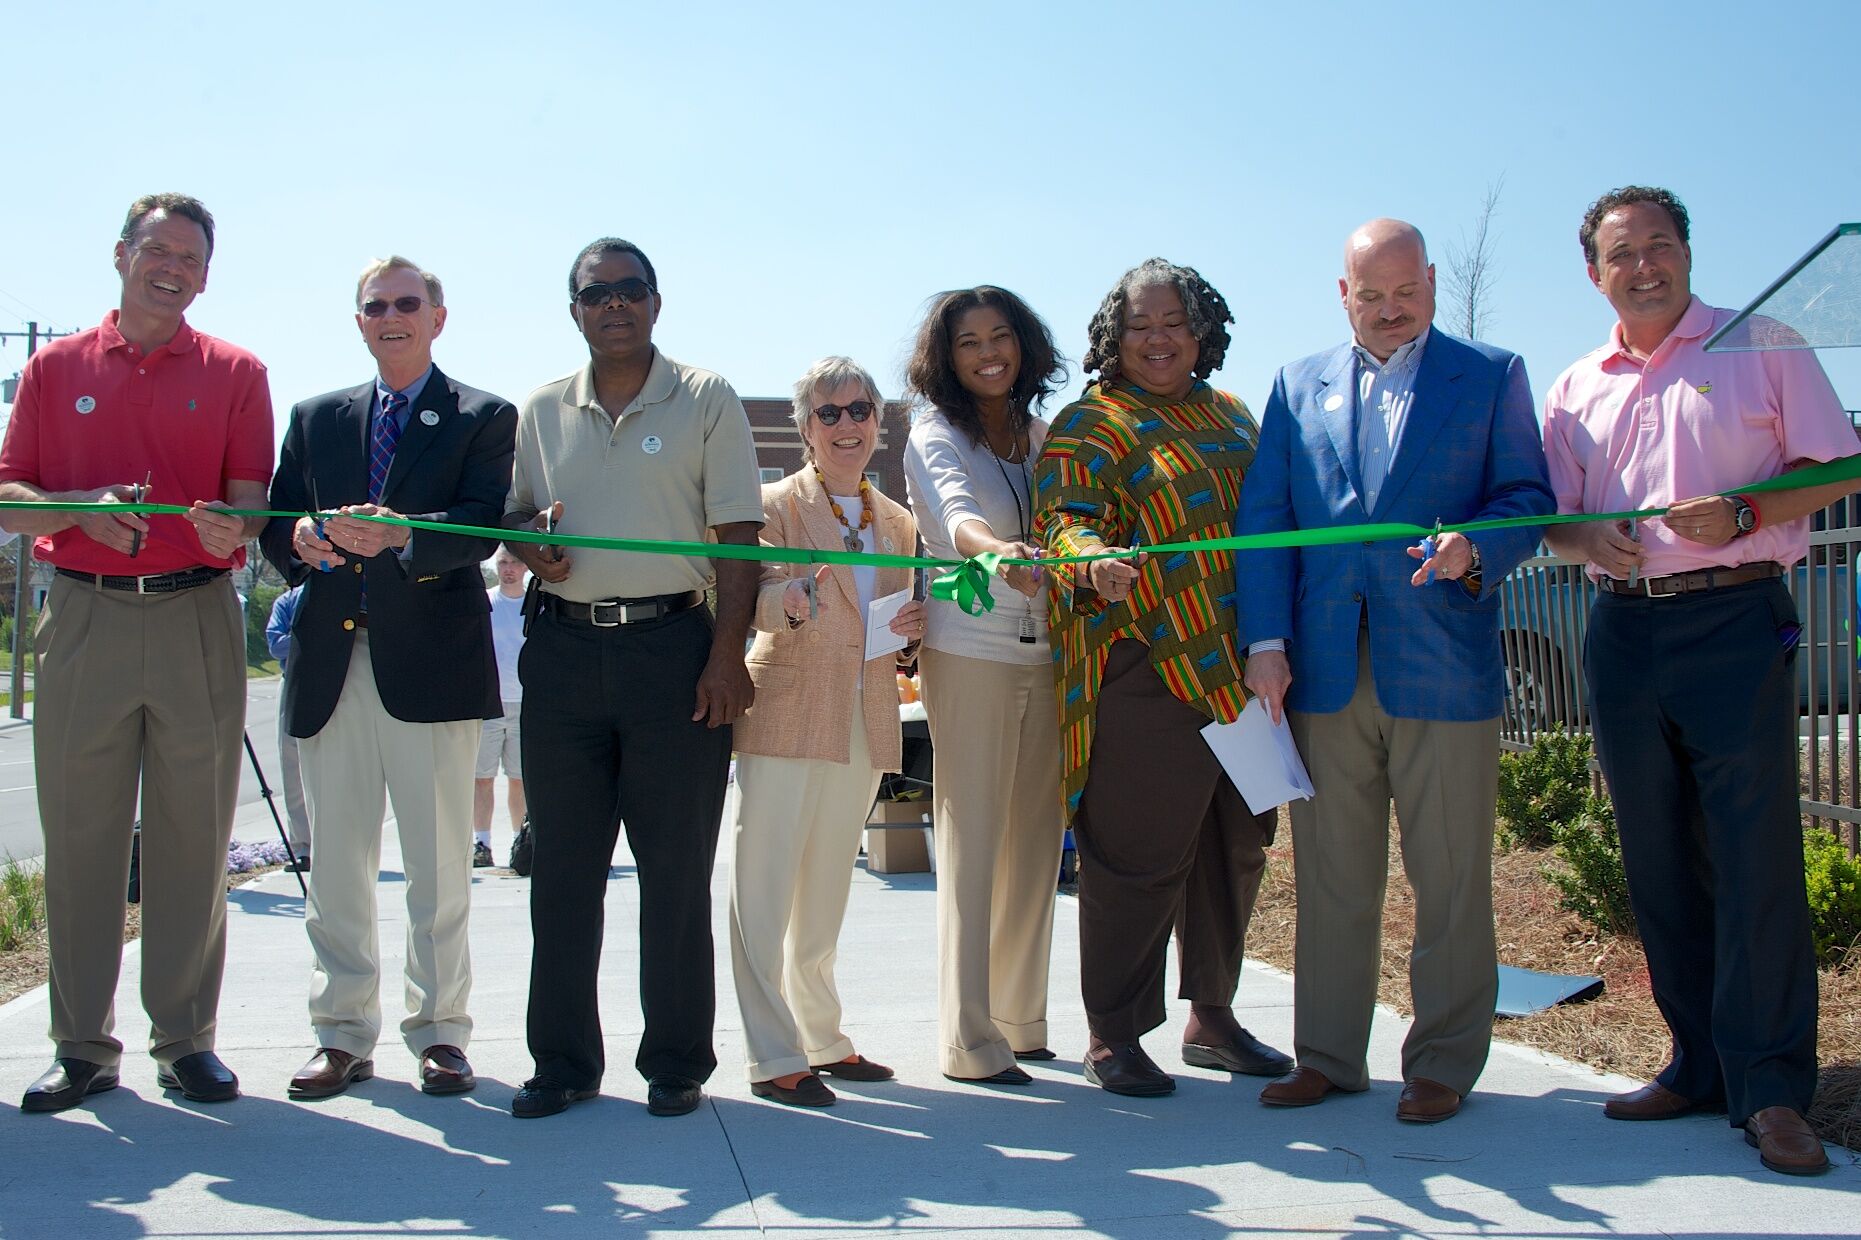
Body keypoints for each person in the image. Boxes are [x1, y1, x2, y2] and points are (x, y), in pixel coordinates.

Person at [1542, 187, 1859, 1175]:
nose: (1643, 266)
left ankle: (1769, 1089)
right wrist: (1585, 534)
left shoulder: (1757, 342)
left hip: (1735, 619)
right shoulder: (1573, 385)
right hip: (1621, 633)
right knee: (1658, 856)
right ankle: (1696, 1065)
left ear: (1686, 253)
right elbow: (1551, 517)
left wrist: (1743, 508)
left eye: (1659, 246)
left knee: (1752, 852)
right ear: (1592, 272)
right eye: (1620, 253)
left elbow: (1839, 464)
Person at [1237, 219, 1554, 1123]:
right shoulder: (1296, 385)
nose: (1386, 310)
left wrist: (1475, 545)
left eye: (1402, 293)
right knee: (1331, 873)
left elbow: (1526, 497)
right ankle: (1328, 1057)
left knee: (1450, 875)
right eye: (1367, 295)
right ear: (1341, 293)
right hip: (1323, 670)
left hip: (1443, 662)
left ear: (1430, 285)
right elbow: (1266, 522)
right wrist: (1265, 643)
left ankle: (1443, 1063)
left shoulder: (1490, 375)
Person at [2, 193, 272, 1111]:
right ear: (121, 254)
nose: (173, 268)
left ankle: (185, 1040)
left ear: (205, 273)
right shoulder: (54, 366)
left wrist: (223, 528)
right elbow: (9, 497)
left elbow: (249, 516)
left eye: (191, 258)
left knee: (195, 839)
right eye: (158, 250)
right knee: (81, 837)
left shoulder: (238, 372)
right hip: (84, 618)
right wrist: (75, 506)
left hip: (196, 618)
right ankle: (81, 1046)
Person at [506, 237, 763, 1120]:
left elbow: (738, 540)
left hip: (675, 658)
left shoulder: (704, 398)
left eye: (630, 291)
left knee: (675, 871)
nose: (612, 305)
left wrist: (726, 657)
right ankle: (565, 1062)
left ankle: (677, 1063)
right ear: (572, 309)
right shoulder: (540, 408)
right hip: (565, 658)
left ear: (656, 303)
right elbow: (512, 513)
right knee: (563, 874)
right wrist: (525, 545)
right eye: (594, 294)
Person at [1033, 258, 1291, 1097]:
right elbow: (1063, 525)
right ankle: (1113, 1033)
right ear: (1113, 335)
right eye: (1140, 323)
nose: (1157, 337)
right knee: (1135, 861)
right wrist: (1090, 560)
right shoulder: (1090, 423)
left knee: (1234, 849)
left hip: (1244, 671)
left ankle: (1211, 1017)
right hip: (1146, 666)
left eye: (1175, 322)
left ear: (1202, 332)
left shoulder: (1234, 418)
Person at [261, 255, 516, 1100]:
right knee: (337, 865)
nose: (391, 316)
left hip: (431, 669)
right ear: (359, 321)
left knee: (441, 866)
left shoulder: (483, 415)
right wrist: (295, 537)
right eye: (376, 305)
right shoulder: (315, 417)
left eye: (408, 303)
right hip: (332, 665)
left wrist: (404, 533)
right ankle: (341, 1035)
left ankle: (440, 1033)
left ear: (438, 318)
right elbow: (274, 523)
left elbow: (482, 527)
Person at [728, 356, 926, 1107]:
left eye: (859, 410)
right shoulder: (772, 504)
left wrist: (909, 628)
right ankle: (772, 1053)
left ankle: (822, 1038)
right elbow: (744, 599)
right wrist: (792, 598)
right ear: (805, 428)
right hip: (786, 709)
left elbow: (891, 630)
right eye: (828, 412)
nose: (846, 425)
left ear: (877, 421)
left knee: (824, 893)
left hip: (864, 712)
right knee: (764, 885)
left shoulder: (899, 521)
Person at [902, 286, 1068, 1086]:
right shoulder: (933, 433)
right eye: (968, 342)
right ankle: (968, 1040)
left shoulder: (1041, 435)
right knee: (973, 840)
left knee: (1036, 840)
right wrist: (995, 550)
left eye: (1001, 336)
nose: (988, 353)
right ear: (946, 357)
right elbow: (954, 513)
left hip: (1047, 653)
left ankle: (1018, 1017)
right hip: (967, 649)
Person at [475, 547, 529, 867]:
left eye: (514, 563)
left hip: (524, 703)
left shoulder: (535, 604)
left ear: (525, 567)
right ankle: (481, 843)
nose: (508, 569)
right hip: (490, 705)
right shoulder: (486, 602)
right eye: (503, 563)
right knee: (481, 777)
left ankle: (519, 840)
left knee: (519, 778)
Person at [265, 583, 312, 870]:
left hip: (336, 681)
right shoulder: (287, 601)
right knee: (292, 767)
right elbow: (274, 644)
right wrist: (311, 635)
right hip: (293, 679)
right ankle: (303, 848)